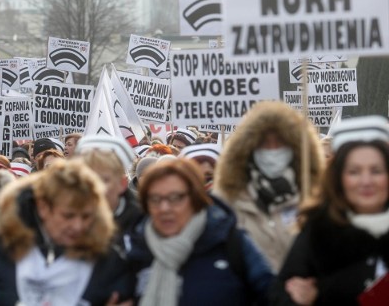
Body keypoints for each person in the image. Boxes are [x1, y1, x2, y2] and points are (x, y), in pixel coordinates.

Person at [0, 159, 135, 305]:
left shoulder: (106, 253)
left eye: (86, 216)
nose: (78, 226)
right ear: (43, 207)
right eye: (68, 216)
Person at [271, 116, 389, 305]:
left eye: (376, 170)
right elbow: (280, 295)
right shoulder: (319, 231)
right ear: (338, 178)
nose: (366, 181)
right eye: (354, 172)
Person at [127, 158, 273, 305]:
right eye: (155, 199)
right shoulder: (136, 248)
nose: (165, 208)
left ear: (195, 199)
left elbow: (273, 295)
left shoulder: (230, 242)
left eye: (175, 198)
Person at [213, 101, 324, 271]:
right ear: (249, 147)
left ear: (294, 146)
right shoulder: (227, 197)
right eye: (264, 142)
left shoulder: (316, 196)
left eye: (280, 141)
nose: (272, 150)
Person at [75, 135, 143, 248]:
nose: (96, 187)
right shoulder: (68, 219)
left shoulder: (141, 221)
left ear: (123, 183)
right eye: (89, 179)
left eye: (104, 180)